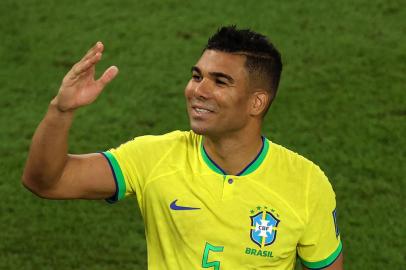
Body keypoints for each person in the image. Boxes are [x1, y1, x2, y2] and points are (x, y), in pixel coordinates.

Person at [22, 26, 343, 269]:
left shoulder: (306, 184)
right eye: (196, 76)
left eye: (220, 81)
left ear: (257, 102)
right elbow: (46, 181)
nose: (197, 91)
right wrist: (61, 110)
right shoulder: (153, 157)